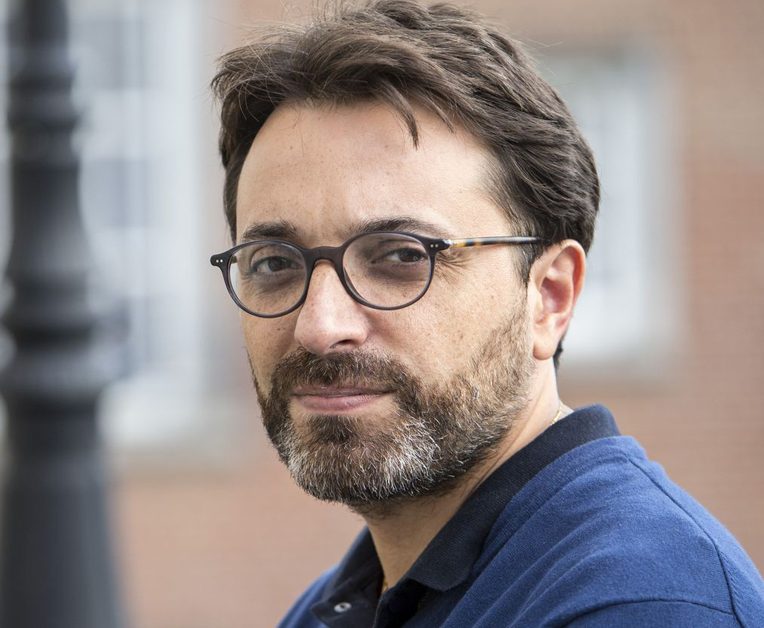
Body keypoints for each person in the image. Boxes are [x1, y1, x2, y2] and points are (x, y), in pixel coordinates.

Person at [208, 1, 764, 626]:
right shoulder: (335, 607)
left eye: (401, 256)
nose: (320, 325)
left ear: (549, 296)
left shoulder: (642, 602)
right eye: (274, 263)